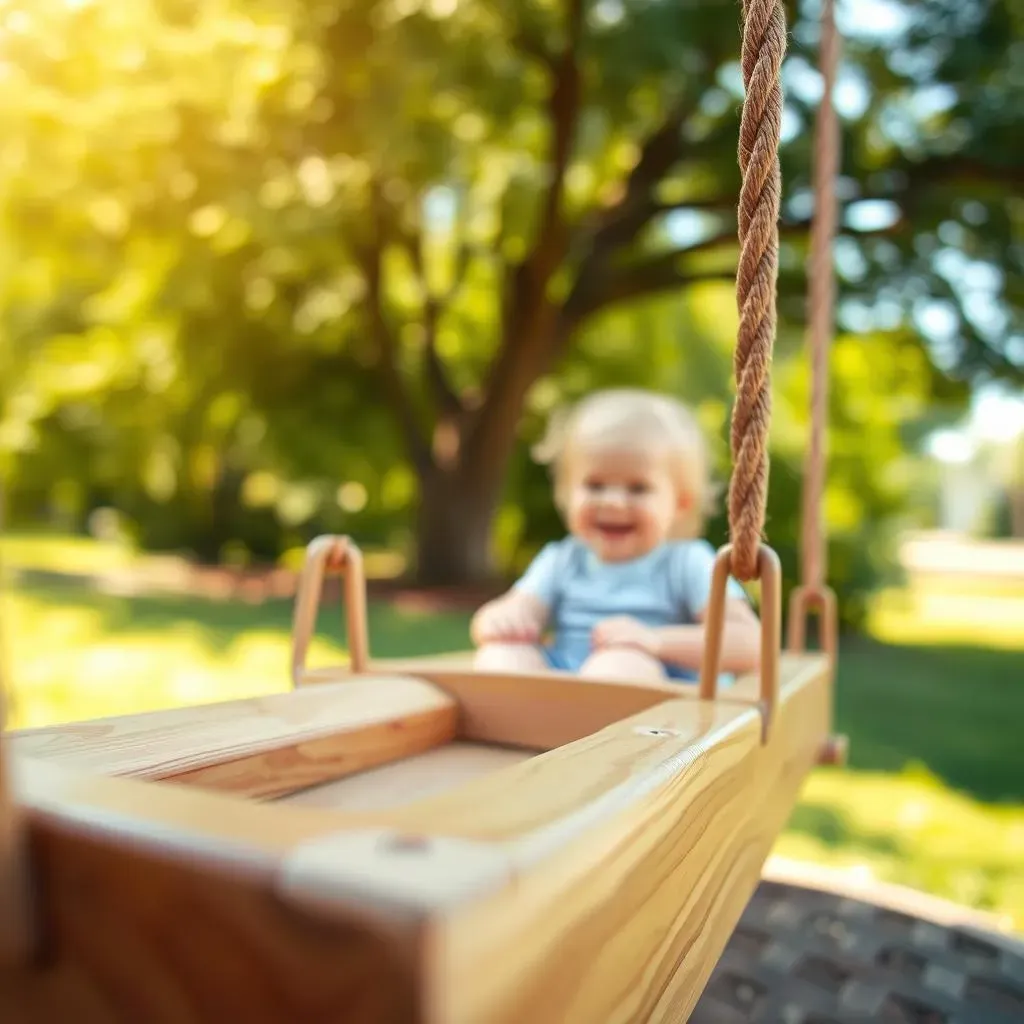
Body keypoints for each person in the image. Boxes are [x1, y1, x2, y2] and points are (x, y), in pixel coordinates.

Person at [470, 388, 761, 684]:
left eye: (637, 488)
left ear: (680, 504)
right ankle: (525, 725)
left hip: (658, 709)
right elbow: (509, 611)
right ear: (568, 494)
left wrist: (654, 641)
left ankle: (587, 724)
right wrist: (503, 618)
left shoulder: (687, 562)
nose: (612, 501)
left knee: (620, 663)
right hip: (563, 688)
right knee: (502, 655)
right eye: (595, 485)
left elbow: (749, 644)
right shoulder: (562, 560)